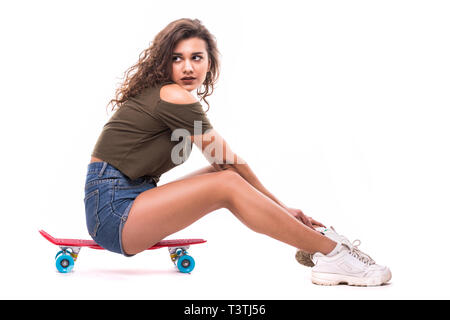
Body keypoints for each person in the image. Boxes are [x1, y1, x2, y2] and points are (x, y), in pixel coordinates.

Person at [84, 18, 391, 286]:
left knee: (225, 177)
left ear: (209, 62)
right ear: (163, 63)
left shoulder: (168, 96)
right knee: (226, 180)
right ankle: (330, 252)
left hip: (126, 203)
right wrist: (283, 208)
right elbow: (227, 159)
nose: (188, 67)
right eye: (177, 59)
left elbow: (225, 165)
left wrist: (284, 209)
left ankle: (326, 250)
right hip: (114, 212)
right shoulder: (173, 95)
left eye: (196, 57)